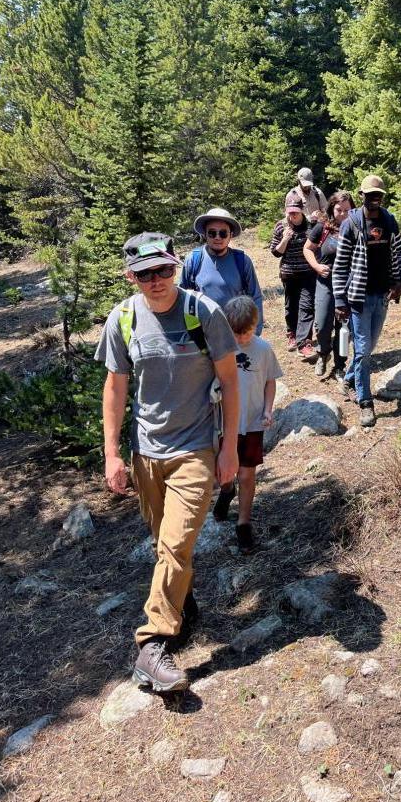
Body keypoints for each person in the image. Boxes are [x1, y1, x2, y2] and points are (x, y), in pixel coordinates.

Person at [96, 232, 239, 693]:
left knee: (176, 544)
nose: (156, 281)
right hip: (146, 453)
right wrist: (113, 453)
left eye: (163, 270)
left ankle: (151, 644)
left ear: (175, 267)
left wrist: (229, 448)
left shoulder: (203, 313)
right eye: (144, 273)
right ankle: (182, 604)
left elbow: (230, 383)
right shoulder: (122, 319)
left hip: (195, 449)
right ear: (130, 276)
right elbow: (116, 388)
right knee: (165, 544)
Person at [332, 176, 401, 427]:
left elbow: (399, 252)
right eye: (370, 194)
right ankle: (365, 402)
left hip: (382, 294)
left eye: (378, 194)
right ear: (362, 195)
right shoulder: (351, 224)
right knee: (363, 350)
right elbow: (340, 265)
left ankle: (349, 379)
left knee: (369, 346)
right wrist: (339, 300)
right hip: (357, 296)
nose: (374, 198)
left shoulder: (388, 220)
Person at [212, 296, 283, 553]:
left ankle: (243, 524)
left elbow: (270, 381)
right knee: (225, 472)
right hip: (224, 423)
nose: (241, 339)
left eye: (247, 332)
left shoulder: (263, 349)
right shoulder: (220, 350)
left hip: (252, 422)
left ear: (256, 324)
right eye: (236, 333)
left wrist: (267, 409)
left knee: (246, 473)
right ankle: (227, 491)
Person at [180, 207, 264, 335]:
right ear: (205, 234)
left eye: (223, 233)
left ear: (230, 235)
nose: (218, 237)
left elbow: (255, 296)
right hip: (203, 334)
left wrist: (255, 332)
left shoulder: (242, 261)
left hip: (236, 333)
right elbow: (182, 298)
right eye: (212, 233)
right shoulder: (193, 260)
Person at [303, 191, 354, 380]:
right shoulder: (323, 227)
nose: (343, 214)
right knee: (322, 323)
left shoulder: (356, 227)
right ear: (332, 208)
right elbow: (307, 248)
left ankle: (340, 365)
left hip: (347, 285)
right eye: (339, 210)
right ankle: (323, 354)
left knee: (343, 327)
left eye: (347, 210)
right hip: (325, 282)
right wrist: (316, 266)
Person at [270, 194, 317, 360]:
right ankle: (292, 333)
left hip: (308, 272)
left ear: (302, 210)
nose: (293, 215)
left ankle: (303, 343)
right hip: (289, 273)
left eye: (295, 212)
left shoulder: (311, 224)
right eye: (290, 212)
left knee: (307, 305)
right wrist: (285, 239)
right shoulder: (281, 226)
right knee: (291, 306)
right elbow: (275, 252)